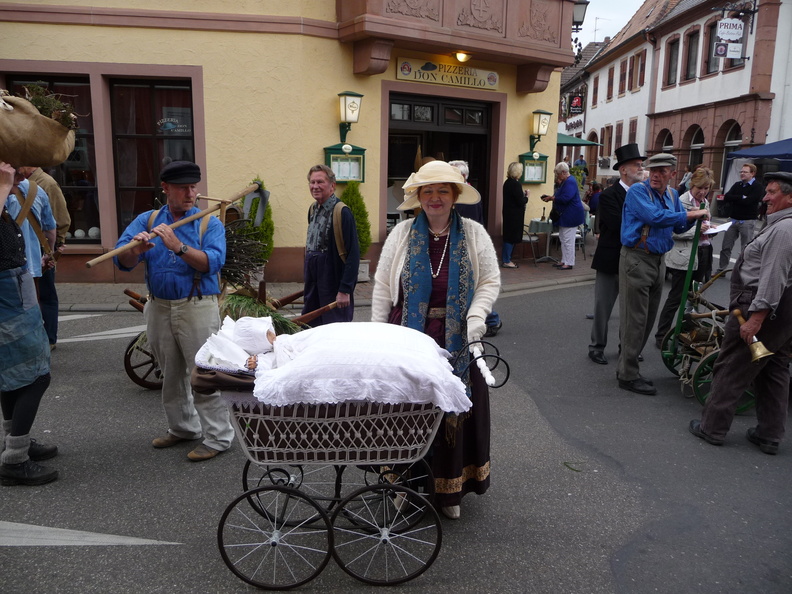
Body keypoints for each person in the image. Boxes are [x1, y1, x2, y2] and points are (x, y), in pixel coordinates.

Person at [371, 160, 500, 520]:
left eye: (443, 190)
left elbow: (489, 280)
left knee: (452, 412)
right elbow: (382, 286)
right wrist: (377, 333)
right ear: (418, 197)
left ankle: (449, 490)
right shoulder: (402, 234)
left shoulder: (474, 233)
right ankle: (403, 483)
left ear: (455, 195)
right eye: (427, 191)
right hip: (407, 334)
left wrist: (476, 316)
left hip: (455, 338)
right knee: (405, 410)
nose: (435, 197)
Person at [114, 161, 233, 462]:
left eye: (193, 187)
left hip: (197, 305)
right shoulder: (148, 219)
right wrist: (134, 251)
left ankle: (218, 437)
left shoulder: (208, 224)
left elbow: (213, 263)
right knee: (170, 374)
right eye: (182, 188)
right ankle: (183, 428)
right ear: (166, 188)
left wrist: (178, 246)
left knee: (204, 373)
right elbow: (121, 260)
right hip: (158, 306)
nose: (190, 193)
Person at [689, 172, 792, 455]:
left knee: (733, 366)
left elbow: (773, 277)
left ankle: (712, 428)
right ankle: (769, 435)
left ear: (790, 197)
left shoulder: (784, 229)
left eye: (772, 192)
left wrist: (756, 318)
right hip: (783, 310)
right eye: (766, 191)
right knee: (774, 368)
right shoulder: (783, 225)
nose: (765, 197)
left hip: (762, 308)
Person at [617, 153, 708, 394]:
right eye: (653, 170)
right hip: (637, 258)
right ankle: (627, 375)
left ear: (672, 174)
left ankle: (629, 367)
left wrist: (697, 217)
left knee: (647, 319)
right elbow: (655, 217)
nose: (655, 175)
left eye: (662, 171)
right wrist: (690, 214)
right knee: (635, 320)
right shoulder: (638, 191)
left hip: (659, 260)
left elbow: (678, 226)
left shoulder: (672, 195)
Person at [0, 162, 58, 486]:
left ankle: (14, 442)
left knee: (11, 376)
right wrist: (4, 183)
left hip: (15, 294)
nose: (18, 174)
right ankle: (14, 459)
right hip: (6, 302)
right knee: (37, 377)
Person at [588, 143, 645, 365]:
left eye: (641, 165)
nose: (641, 168)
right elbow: (618, 225)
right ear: (623, 170)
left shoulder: (644, 193)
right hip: (611, 259)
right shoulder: (609, 195)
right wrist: (646, 223)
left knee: (631, 311)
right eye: (636, 165)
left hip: (635, 260)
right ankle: (596, 347)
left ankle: (627, 348)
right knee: (603, 308)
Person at [654, 167, 715, 348]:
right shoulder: (680, 201)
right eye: (699, 188)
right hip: (684, 254)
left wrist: (711, 229)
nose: (702, 192)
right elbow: (673, 231)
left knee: (695, 295)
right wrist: (696, 230)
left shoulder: (705, 202)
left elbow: (705, 226)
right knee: (676, 296)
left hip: (703, 251)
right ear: (691, 185)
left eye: (706, 188)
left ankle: (687, 332)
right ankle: (662, 335)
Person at [18, 166, 70, 349]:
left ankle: (49, 339)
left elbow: (61, 219)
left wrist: (54, 248)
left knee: (46, 295)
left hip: (41, 247)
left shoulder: (47, 183)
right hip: (32, 249)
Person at [449, 160, 502, 337]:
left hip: (467, 248)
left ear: (463, 176)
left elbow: (468, 228)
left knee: (471, 287)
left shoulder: (468, 198)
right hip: (462, 247)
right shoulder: (462, 195)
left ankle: (492, 320)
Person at [302, 164, 360, 325]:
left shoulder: (342, 212)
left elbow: (353, 254)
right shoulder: (313, 210)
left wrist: (345, 290)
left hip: (332, 281)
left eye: (320, 182)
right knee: (310, 325)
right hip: (313, 282)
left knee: (334, 328)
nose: (315, 186)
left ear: (332, 186)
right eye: (312, 182)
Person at [716, 163, 764, 273]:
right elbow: (727, 197)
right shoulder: (737, 185)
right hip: (733, 219)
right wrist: (741, 197)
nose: (742, 174)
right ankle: (721, 269)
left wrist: (737, 199)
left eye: (745, 172)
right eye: (741, 172)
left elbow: (749, 201)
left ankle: (743, 271)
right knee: (726, 246)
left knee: (746, 249)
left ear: (752, 173)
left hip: (747, 221)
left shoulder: (757, 187)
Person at [541, 162, 585, 270]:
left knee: (568, 240)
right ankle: (564, 260)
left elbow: (566, 198)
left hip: (571, 215)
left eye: (558, 174)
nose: (557, 176)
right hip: (566, 215)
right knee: (563, 239)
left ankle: (569, 262)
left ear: (564, 172)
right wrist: (551, 197)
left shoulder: (570, 182)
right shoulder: (567, 181)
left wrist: (552, 198)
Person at [500, 162, 527, 269]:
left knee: (509, 236)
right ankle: (506, 260)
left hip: (508, 213)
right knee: (511, 238)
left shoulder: (507, 182)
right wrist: (527, 196)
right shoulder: (515, 184)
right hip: (514, 216)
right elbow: (520, 201)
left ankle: (506, 259)